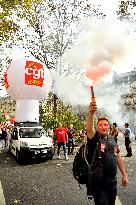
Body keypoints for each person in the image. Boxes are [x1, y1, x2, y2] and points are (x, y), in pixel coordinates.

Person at [86, 97, 128, 205]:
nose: (103, 126)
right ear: (97, 127)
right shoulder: (94, 138)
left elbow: (118, 157)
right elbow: (89, 129)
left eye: (105, 124)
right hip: (99, 184)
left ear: (109, 126)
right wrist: (91, 113)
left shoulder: (112, 139)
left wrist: (124, 175)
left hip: (112, 183)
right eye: (100, 125)